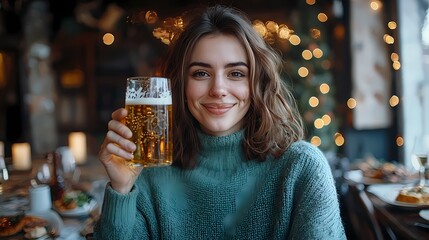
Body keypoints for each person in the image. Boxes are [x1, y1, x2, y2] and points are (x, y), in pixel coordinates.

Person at [94, 4, 346, 239]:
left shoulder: (302, 168)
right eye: (201, 73)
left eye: (236, 73)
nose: (218, 89)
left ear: (258, 83)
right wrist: (121, 188)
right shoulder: (150, 172)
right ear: (181, 84)